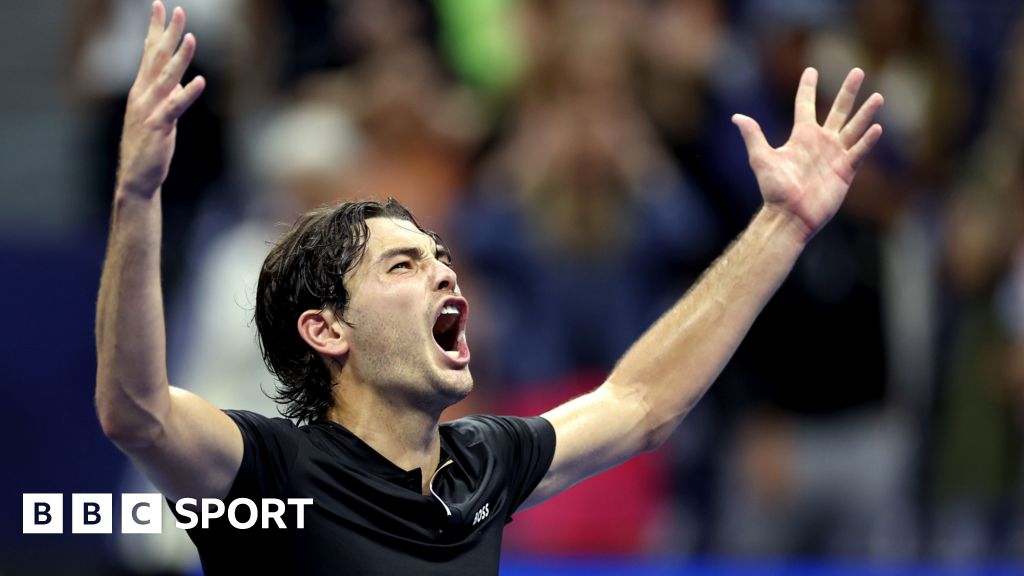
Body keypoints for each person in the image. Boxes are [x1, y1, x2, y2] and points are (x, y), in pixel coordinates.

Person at [94, 3, 883, 574]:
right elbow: (137, 412)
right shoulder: (271, 476)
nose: (443, 269)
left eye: (438, 254)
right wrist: (134, 197)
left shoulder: (484, 465)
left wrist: (783, 225)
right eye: (402, 265)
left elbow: (643, 402)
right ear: (327, 330)